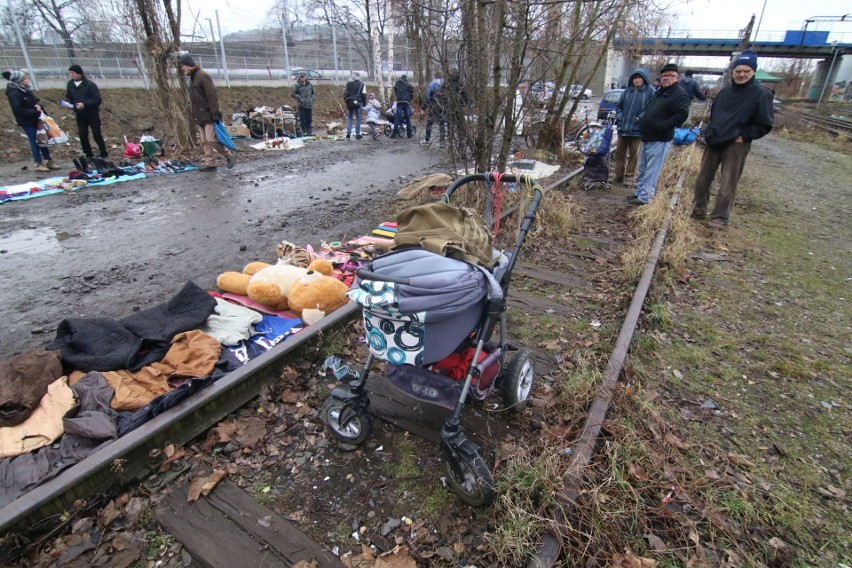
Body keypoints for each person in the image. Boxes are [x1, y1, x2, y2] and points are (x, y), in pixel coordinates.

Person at [692, 50, 774, 227]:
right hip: (715, 140)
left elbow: (764, 123)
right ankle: (698, 209)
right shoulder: (724, 93)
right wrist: (710, 133)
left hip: (736, 144)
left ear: (753, 72)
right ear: (733, 72)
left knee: (728, 181)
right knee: (703, 178)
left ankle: (720, 217)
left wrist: (744, 136)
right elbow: (714, 116)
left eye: (746, 71)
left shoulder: (760, 93)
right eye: (738, 71)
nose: (742, 74)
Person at [630, 63, 690, 205]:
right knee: (643, 167)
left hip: (660, 138)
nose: (666, 78)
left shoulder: (679, 94)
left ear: (677, 78)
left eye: (670, 76)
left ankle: (645, 198)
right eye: (664, 76)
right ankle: (640, 193)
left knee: (652, 170)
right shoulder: (661, 92)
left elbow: (681, 115)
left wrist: (663, 126)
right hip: (648, 136)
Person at [179, 53, 235, 171]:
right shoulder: (193, 77)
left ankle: (228, 155)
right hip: (199, 115)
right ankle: (210, 162)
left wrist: (214, 114)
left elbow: (212, 96)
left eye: (183, 66)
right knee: (204, 141)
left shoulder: (202, 76)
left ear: (188, 65)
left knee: (211, 139)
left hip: (208, 114)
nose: (182, 68)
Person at [3, 70, 58, 173]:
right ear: (19, 80)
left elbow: (36, 100)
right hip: (27, 121)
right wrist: (35, 112)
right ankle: (38, 163)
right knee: (35, 141)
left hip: (37, 119)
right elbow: (18, 109)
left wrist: (39, 105)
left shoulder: (25, 89)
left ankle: (48, 161)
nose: (27, 80)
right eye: (24, 78)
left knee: (43, 139)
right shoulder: (14, 93)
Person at [612, 67, 654, 184]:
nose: (637, 80)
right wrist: (620, 117)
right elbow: (619, 106)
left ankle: (630, 176)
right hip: (624, 127)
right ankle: (618, 175)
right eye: (635, 78)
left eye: (639, 78)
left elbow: (651, 108)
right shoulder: (627, 91)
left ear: (644, 79)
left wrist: (640, 117)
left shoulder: (650, 91)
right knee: (620, 152)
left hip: (638, 129)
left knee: (634, 153)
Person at [65, 64, 108, 159]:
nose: (71, 75)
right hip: (80, 114)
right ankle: (89, 154)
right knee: (82, 135)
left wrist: (84, 104)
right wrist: (67, 102)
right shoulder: (70, 84)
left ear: (79, 73)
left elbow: (97, 99)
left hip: (92, 113)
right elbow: (69, 96)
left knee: (96, 134)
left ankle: (103, 152)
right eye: (70, 73)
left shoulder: (90, 85)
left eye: (73, 73)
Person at [422, 71, 446, 144]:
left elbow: (428, 96)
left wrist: (423, 107)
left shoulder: (433, 84)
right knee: (442, 123)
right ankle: (442, 141)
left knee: (429, 122)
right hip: (443, 106)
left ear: (435, 76)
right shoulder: (445, 83)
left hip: (434, 106)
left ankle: (427, 139)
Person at [290, 71, 315, 136]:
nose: (302, 78)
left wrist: (312, 99)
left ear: (306, 77)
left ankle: (309, 132)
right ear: (299, 77)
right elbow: (293, 94)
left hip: (309, 105)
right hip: (302, 105)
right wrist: (299, 98)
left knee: (309, 119)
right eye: (301, 77)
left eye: (303, 77)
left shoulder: (310, 84)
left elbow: (313, 93)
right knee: (302, 119)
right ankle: (304, 132)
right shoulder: (296, 85)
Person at [390, 74, 414, 139]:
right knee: (407, 118)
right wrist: (410, 100)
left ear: (401, 78)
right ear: (406, 78)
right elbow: (411, 93)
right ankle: (409, 134)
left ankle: (394, 133)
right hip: (407, 102)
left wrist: (398, 97)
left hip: (400, 101)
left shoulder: (397, 83)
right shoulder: (409, 84)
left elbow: (396, 91)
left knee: (397, 117)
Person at [343, 72, 365, 140]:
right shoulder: (361, 83)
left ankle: (348, 133)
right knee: (358, 118)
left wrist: (346, 100)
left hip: (350, 101)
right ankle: (357, 134)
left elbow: (345, 92)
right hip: (358, 102)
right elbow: (363, 94)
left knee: (349, 117)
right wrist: (364, 103)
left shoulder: (349, 82)